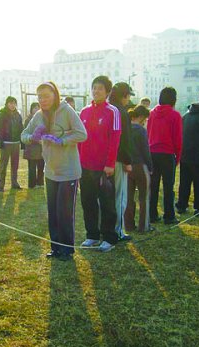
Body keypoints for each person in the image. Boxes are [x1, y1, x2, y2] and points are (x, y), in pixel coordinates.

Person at [21, 81, 87, 261]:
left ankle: (67, 249)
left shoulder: (67, 111)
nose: (43, 100)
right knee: (53, 211)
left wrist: (62, 139)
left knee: (65, 212)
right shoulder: (39, 116)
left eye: (46, 96)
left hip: (68, 172)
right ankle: (56, 248)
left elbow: (82, 133)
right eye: (40, 97)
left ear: (55, 95)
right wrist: (32, 137)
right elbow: (23, 135)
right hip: (50, 171)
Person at [78, 76, 122, 252]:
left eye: (100, 88)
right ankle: (92, 235)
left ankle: (109, 237)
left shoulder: (113, 111)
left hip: (104, 168)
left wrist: (110, 164)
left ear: (108, 92)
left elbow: (115, 139)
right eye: (94, 87)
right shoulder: (84, 111)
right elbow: (80, 139)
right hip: (85, 166)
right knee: (87, 201)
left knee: (107, 204)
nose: (96, 91)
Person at [147, 87, 182, 225]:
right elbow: (178, 139)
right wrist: (177, 157)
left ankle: (152, 214)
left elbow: (148, 133)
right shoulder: (175, 115)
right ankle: (169, 215)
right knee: (168, 187)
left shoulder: (152, 114)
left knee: (153, 186)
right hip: (167, 154)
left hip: (152, 153)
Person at [108, 82, 132, 241]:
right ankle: (118, 230)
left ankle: (107, 228)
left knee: (106, 197)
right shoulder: (121, 112)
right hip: (117, 160)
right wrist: (127, 161)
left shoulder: (107, 109)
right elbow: (125, 140)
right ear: (124, 95)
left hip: (104, 161)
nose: (129, 99)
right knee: (119, 196)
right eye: (128, 95)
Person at [125, 105, 153, 233]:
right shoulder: (141, 130)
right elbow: (145, 151)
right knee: (144, 197)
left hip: (127, 166)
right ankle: (144, 226)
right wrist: (150, 167)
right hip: (140, 166)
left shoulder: (125, 128)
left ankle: (129, 225)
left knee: (128, 198)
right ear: (141, 117)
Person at [0, 96, 23, 191]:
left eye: (14, 103)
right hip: (6, 143)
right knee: (3, 165)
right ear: (7, 104)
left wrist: (22, 142)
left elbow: (21, 128)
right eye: (10, 103)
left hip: (16, 143)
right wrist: (0, 142)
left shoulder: (18, 115)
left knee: (15, 165)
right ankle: (1, 185)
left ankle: (14, 183)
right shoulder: (2, 115)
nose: (12, 105)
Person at [23, 102, 45, 188]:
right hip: (31, 147)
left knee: (41, 166)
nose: (36, 110)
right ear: (31, 110)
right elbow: (27, 133)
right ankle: (32, 184)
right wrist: (36, 139)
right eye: (34, 108)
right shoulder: (28, 120)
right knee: (32, 167)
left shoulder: (43, 119)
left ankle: (40, 183)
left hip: (41, 148)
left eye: (38, 108)